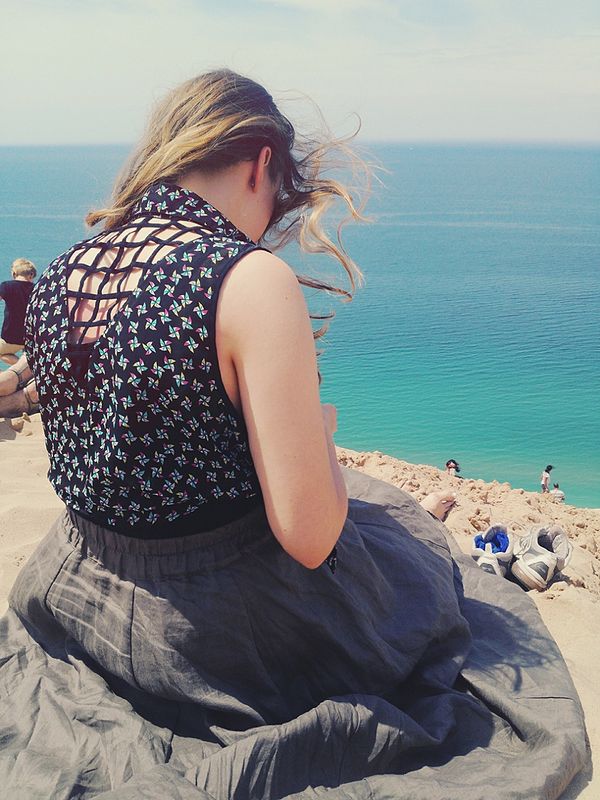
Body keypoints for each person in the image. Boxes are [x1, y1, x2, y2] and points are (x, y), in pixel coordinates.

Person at [0, 70, 587, 799]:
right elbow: (309, 536)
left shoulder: (62, 271)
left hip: (76, 594)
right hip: (217, 633)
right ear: (261, 164)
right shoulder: (245, 278)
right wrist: (318, 431)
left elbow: (131, 440)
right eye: (277, 197)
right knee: (410, 549)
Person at [0, 257, 36, 365]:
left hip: (10, 336)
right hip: (31, 336)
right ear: (31, 275)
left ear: (14, 273)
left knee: (2, 353)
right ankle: (25, 368)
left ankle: (25, 370)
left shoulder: (7, 286)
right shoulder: (37, 288)